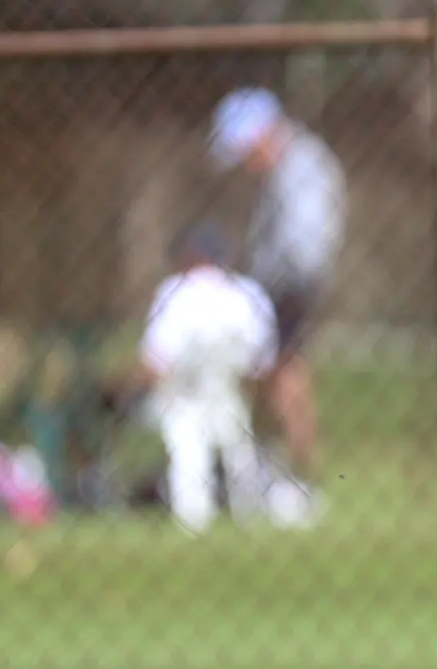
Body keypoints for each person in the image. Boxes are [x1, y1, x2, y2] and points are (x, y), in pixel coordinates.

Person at [122, 224, 314, 532]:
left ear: (189, 257)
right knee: (238, 444)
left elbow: (154, 363)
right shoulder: (247, 294)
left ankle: (190, 512)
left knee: (184, 442)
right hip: (229, 396)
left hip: (180, 398)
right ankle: (250, 506)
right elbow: (263, 363)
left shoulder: (175, 292)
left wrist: (122, 390)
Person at [209, 89, 345, 483]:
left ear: (261, 136)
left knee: (283, 373)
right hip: (278, 287)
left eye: (245, 153)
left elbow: (305, 247)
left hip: (290, 289)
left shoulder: (302, 167)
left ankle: (296, 470)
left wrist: (267, 290)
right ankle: (267, 462)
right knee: (268, 373)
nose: (246, 166)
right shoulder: (286, 168)